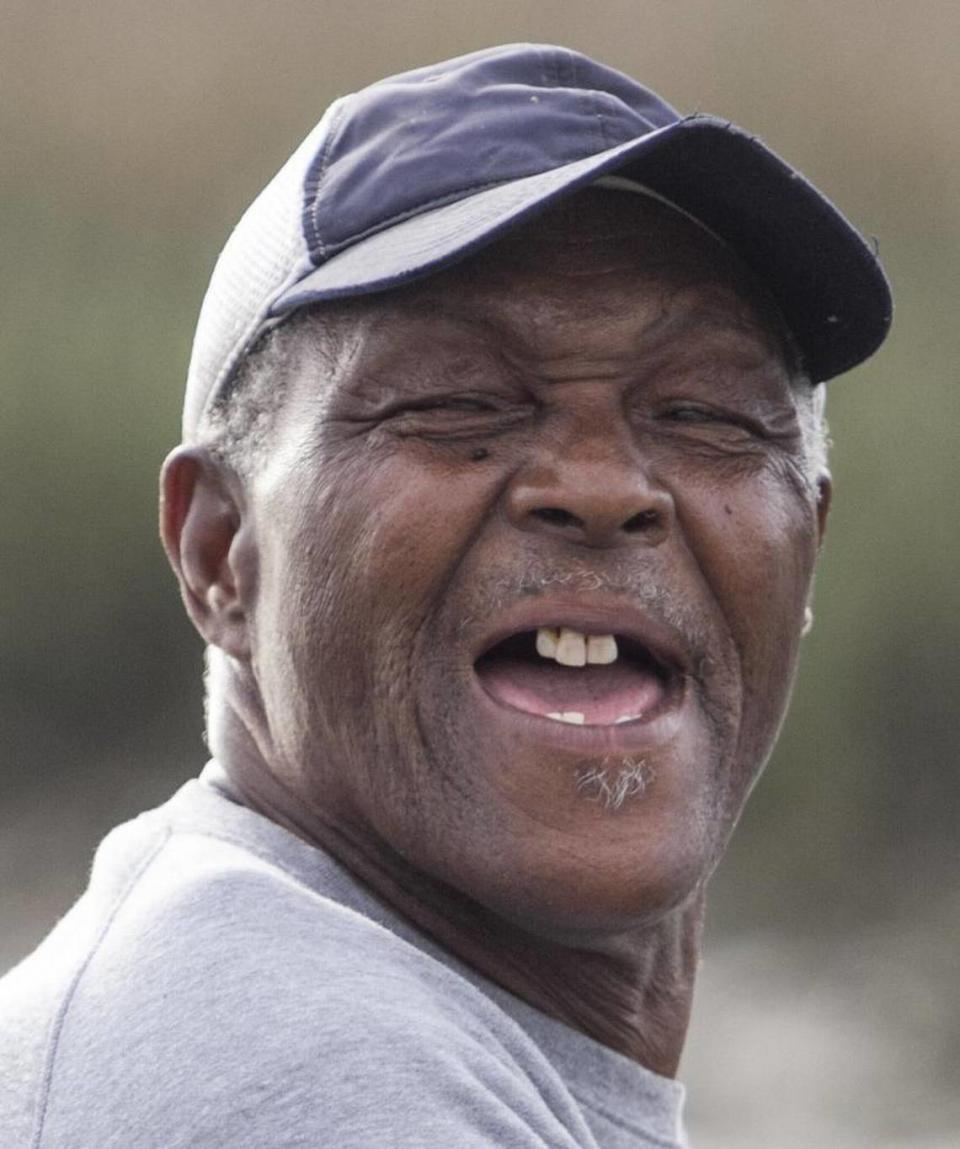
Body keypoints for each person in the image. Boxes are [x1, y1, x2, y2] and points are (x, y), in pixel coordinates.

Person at [0, 44, 891, 1149]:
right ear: (219, 551)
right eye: (458, 403)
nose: (605, 488)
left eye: (707, 414)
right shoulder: (309, 1074)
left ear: (809, 537)